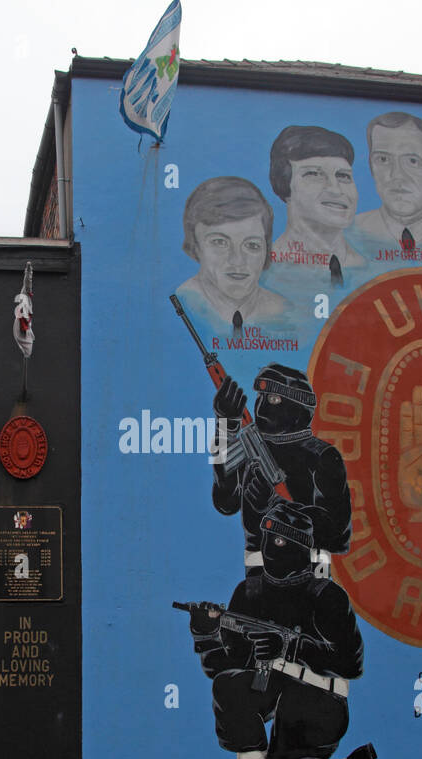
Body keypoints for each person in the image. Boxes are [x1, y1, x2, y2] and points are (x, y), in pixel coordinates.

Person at [186, 503, 378, 759]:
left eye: (283, 543)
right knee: (229, 686)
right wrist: (206, 634)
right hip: (273, 688)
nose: (274, 550)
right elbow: (224, 668)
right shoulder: (249, 592)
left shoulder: (326, 596)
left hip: (318, 697)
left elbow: (351, 663)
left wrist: (291, 647)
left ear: (303, 550)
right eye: (270, 539)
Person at [211, 362, 351, 574]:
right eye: (261, 397)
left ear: (299, 409)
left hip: (311, 575)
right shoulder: (252, 446)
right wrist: (226, 425)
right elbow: (225, 502)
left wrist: (276, 504)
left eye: (274, 399)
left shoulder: (322, 456)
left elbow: (338, 535)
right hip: (258, 573)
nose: (262, 408)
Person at [176, 176, 289, 332]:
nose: (237, 260)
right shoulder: (183, 303)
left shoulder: (284, 312)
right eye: (219, 242)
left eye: (252, 245)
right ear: (196, 246)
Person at [352, 112, 422, 259]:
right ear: (371, 167)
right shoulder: (349, 235)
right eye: (383, 159)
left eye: (412, 161)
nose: (396, 175)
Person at [268, 126, 365, 282]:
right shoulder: (263, 269)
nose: (335, 189)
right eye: (314, 174)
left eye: (343, 176)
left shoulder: (367, 268)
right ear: (284, 185)